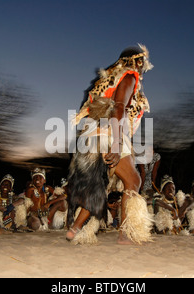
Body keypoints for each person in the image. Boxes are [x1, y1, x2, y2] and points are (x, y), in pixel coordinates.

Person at [67, 44, 154, 245]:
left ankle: (74, 229)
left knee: (101, 183)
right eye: (142, 62)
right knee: (133, 181)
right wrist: (116, 144)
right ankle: (125, 234)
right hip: (107, 132)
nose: (143, 67)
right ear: (137, 61)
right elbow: (119, 107)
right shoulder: (129, 76)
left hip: (97, 131)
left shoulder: (115, 78)